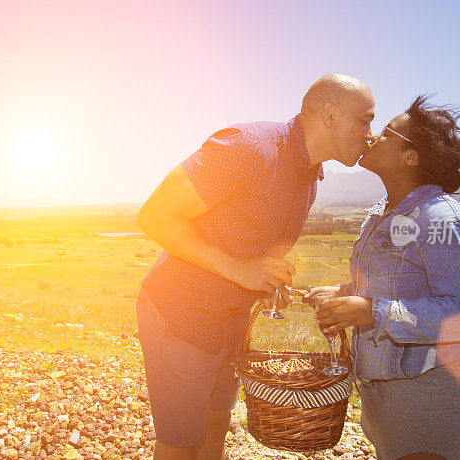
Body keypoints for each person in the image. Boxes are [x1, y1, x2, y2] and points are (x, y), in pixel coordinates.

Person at [136, 73, 375, 460]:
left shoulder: (311, 175)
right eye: (366, 119)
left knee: (216, 426)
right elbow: (154, 216)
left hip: (232, 324)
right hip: (180, 313)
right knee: (181, 443)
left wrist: (266, 280)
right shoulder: (247, 147)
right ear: (330, 114)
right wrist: (240, 270)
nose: (371, 133)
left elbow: (252, 247)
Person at [309, 95, 460, 460]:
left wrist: (373, 311)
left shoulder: (448, 222)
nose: (371, 137)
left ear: (411, 156)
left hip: (430, 391)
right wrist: (344, 294)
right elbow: (399, 282)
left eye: (385, 133)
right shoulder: (392, 216)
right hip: (390, 386)